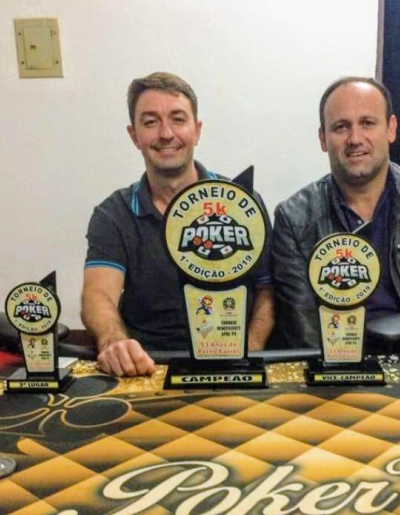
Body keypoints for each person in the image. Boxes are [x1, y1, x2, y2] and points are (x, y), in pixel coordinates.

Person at [82, 72, 275, 376]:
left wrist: (251, 349)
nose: (166, 133)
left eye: (178, 119)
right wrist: (114, 342)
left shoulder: (242, 202)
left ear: (196, 131)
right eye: (150, 122)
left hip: (236, 365)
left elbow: (268, 289)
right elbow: (98, 294)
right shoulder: (114, 214)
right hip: (149, 368)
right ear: (134, 136)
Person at [273, 76, 400, 348]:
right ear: (323, 138)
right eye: (341, 127)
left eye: (367, 123)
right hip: (334, 365)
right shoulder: (293, 218)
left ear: (390, 129)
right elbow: (304, 334)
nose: (355, 139)